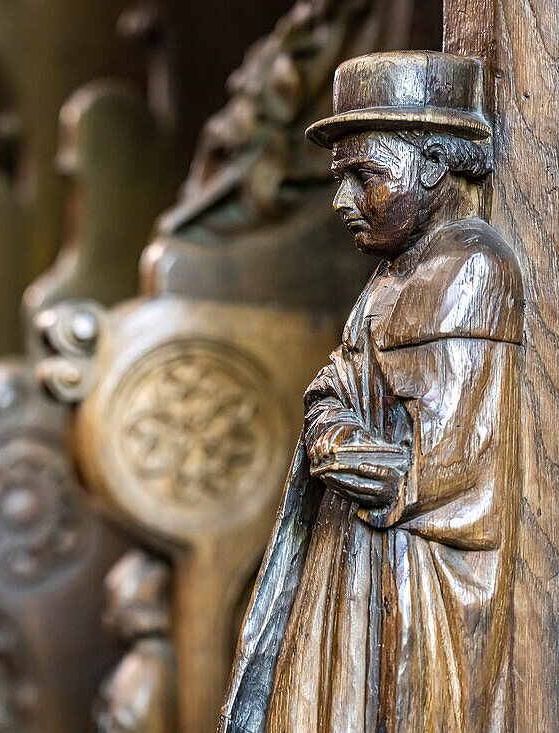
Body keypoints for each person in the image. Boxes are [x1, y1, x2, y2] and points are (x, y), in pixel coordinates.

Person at [220, 51, 523, 732]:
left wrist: (364, 456)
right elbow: (331, 387)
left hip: (414, 583)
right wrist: (335, 431)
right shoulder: (389, 279)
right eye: (339, 178)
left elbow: (453, 467)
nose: (341, 201)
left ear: (436, 164)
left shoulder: (467, 270)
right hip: (357, 561)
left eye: (365, 175)